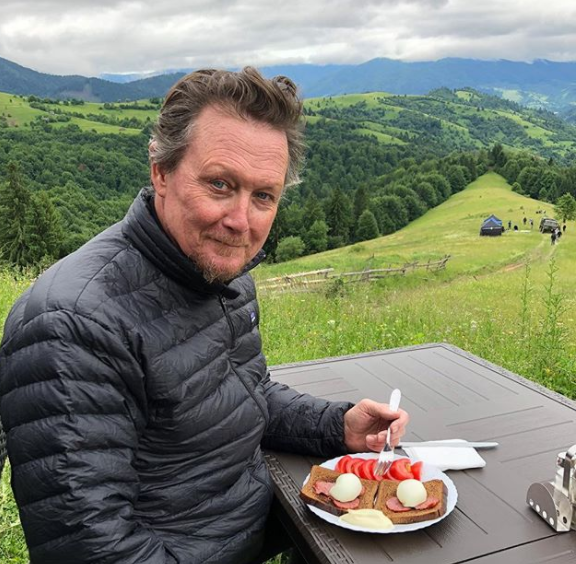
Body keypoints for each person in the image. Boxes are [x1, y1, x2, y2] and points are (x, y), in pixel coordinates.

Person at [0, 68, 409, 564]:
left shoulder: (222, 275)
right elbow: (94, 549)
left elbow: (239, 395)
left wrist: (337, 425)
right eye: (219, 184)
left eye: (264, 196)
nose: (241, 221)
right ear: (161, 172)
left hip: (270, 522)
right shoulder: (72, 326)